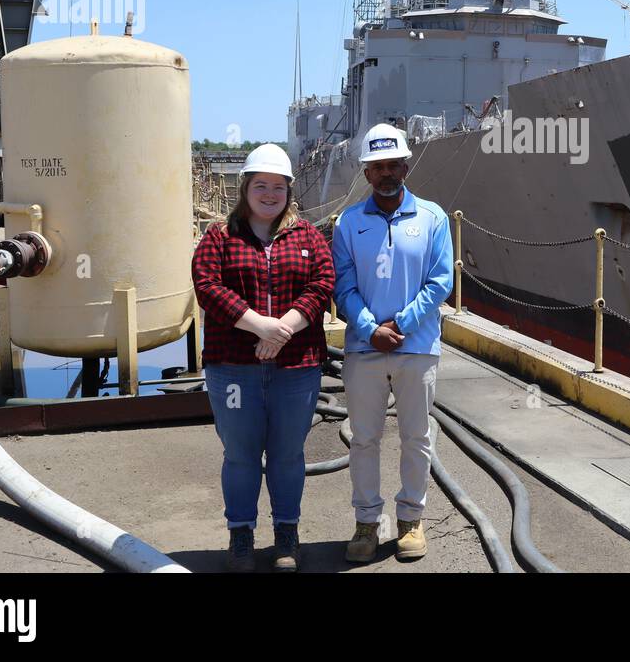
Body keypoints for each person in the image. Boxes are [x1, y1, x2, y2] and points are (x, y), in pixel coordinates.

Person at [191, 142, 334, 572]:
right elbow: (208, 286)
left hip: (296, 368)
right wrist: (260, 326)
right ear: (245, 188)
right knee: (240, 454)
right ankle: (241, 536)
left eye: (278, 187)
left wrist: (283, 328)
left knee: (288, 454)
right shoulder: (220, 236)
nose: (270, 194)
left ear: (289, 190)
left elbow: (323, 283)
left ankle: (286, 534)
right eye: (261, 186)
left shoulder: (307, 235)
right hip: (234, 368)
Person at [332, 123, 453, 562]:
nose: (386, 173)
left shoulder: (434, 218)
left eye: (393, 164)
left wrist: (399, 325)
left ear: (406, 166)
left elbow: (440, 281)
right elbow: (343, 286)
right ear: (367, 172)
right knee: (364, 439)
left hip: (416, 348)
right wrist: (370, 329)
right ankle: (366, 523)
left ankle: (410, 521)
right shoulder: (347, 223)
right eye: (377, 166)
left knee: (416, 436)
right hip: (365, 351)